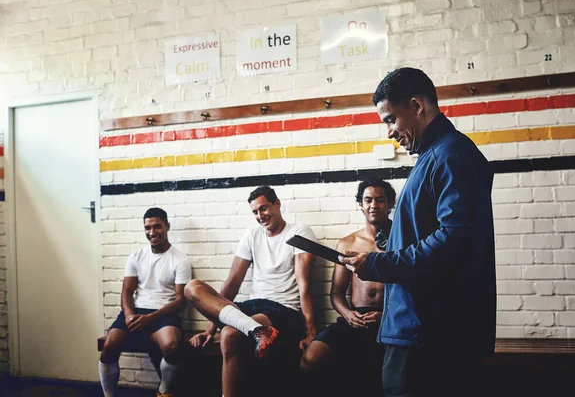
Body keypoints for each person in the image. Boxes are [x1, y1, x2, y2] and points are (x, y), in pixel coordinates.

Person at [339, 68, 497, 397]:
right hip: (418, 328)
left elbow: (453, 240)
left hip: (430, 333)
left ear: (416, 106)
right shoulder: (436, 156)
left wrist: (378, 264)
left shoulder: (451, 155)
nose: (389, 133)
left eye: (390, 119)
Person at [185, 185, 317, 397]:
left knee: (229, 334)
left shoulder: (298, 231)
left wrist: (311, 330)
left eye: (264, 208)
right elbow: (232, 284)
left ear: (277, 204)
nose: (260, 216)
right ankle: (257, 330)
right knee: (192, 287)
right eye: (255, 212)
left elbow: (305, 283)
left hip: (283, 309)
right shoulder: (252, 235)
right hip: (253, 305)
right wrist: (209, 330)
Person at [300, 177, 396, 397]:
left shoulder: (403, 240)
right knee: (311, 358)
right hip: (356, 318)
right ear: (360, 205)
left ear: (390, 204)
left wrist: (386, 315)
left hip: (390, 318)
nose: (374, 205)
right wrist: (348, 314)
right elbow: (336, 294)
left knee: (380, 374)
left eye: (380, 200)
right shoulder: (347, 244)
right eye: (368, 200)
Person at [99, 207, 192, 397]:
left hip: (164, 313)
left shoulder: (180, 259)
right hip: (137, 312)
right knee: (109, 345)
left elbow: (181, 300)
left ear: (167, 226)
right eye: (147, 227)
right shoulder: (136, 256)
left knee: (172, 346)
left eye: (157, 226)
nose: (152, 232)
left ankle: (163, 390)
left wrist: (150, 318)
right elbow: (126, 291)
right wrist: (129, 314)